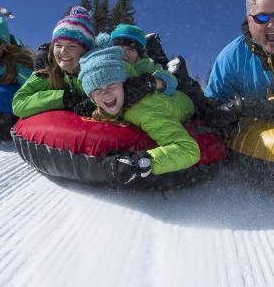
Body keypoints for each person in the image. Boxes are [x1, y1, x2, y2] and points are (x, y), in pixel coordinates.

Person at [78, 34, 200, 184]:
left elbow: (188, 149)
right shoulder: (105, 102)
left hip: (185, 101)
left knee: (178, 79)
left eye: (112, 85)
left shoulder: (142, 110)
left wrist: (139, 163)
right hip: (152, 85)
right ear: (91, 97)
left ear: (123, 84)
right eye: (97, 90)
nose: (106, 93)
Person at [12, 6, 97, 118]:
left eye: (71, 46)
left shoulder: (97, 74)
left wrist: (96, 103)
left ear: (85, 50)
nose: (63, 51)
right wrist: (62, 98)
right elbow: (18, 104)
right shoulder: (47, 74)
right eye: (58, 45)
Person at [111, 23, 177, 96]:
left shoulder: (147, 67)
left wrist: (154, 82)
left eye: (130, 49)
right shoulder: (109, 66)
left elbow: (171, 83)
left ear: (139, 53)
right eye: (119, 49)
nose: (124, 53)